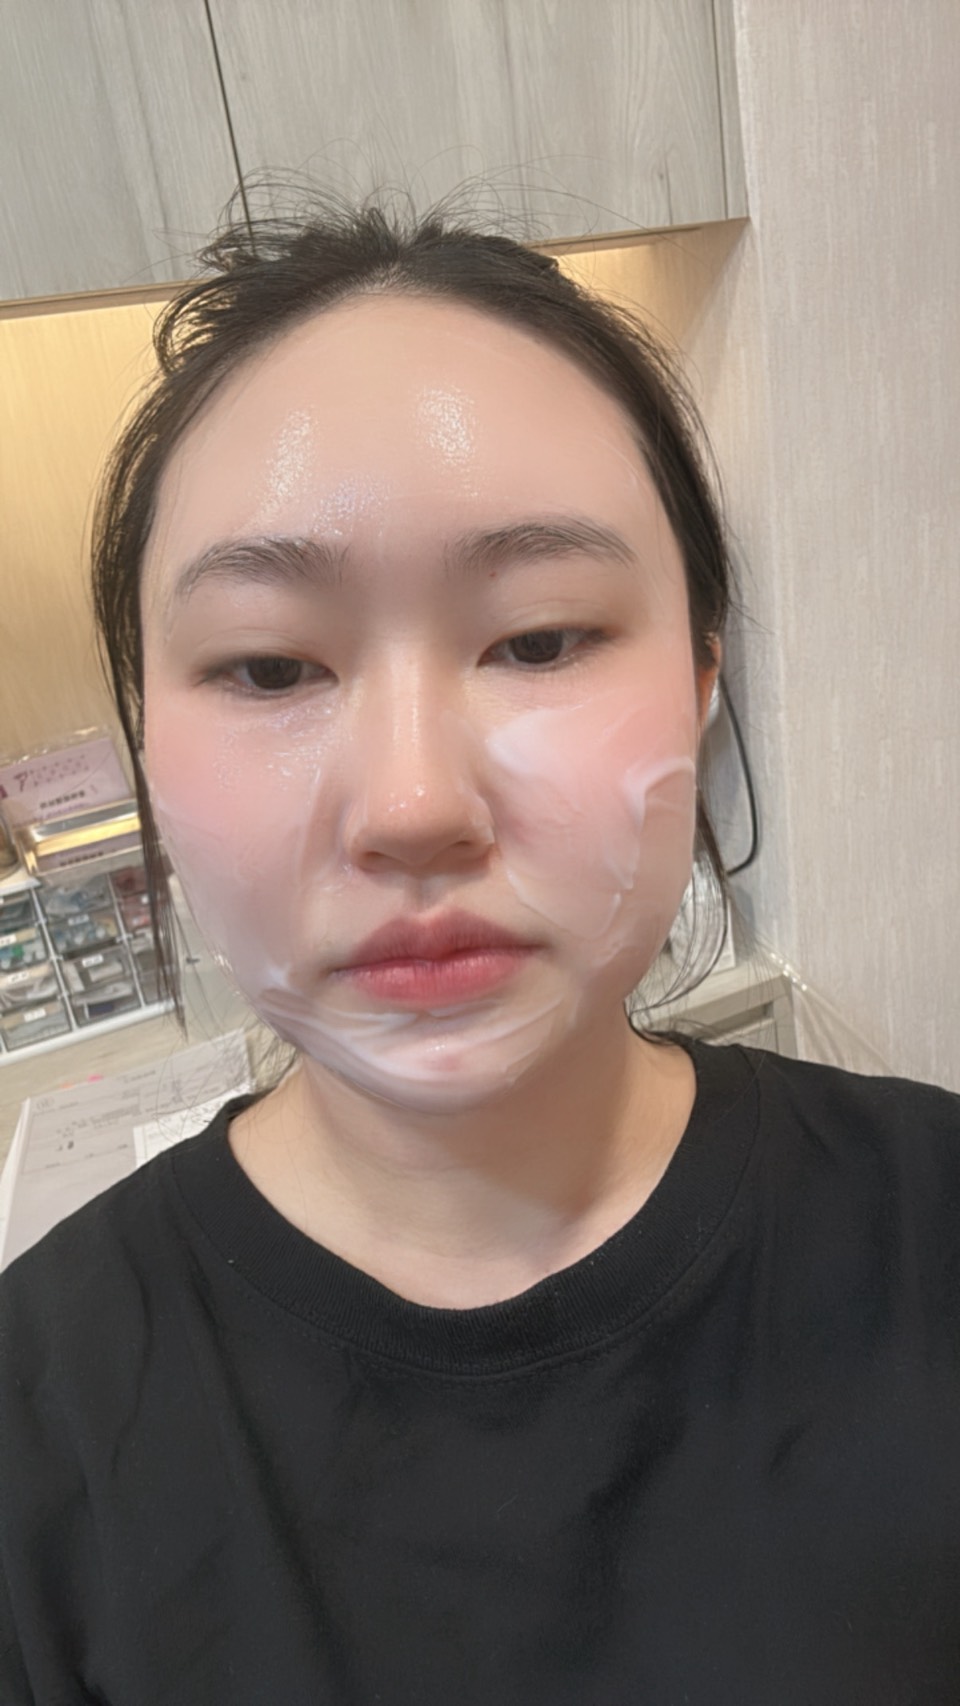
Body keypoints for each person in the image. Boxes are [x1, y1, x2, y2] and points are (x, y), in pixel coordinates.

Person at [1, 195, 958, 1706]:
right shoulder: (38, 1438)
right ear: (145, 742)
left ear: (702, 675)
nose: (413, 807)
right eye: (270, 665)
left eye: (540, 639)